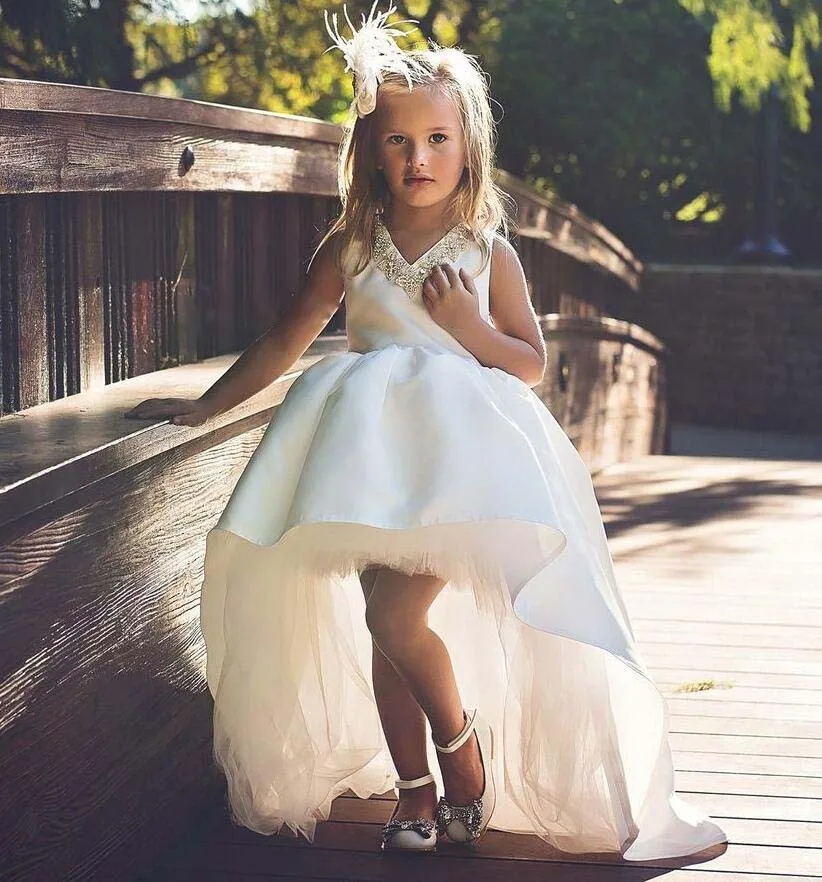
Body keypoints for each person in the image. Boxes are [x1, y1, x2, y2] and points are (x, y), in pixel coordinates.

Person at [124, 2, 727, 861]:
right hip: (370, 459)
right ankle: (415, 790)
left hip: (459, 460)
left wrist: (469, 329)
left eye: (438, 140)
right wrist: (202, 408)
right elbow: (284, 341)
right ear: (371, 150)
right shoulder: (353, 245)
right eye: (399, 141)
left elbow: (529, 362)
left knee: (396, 616)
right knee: (384, 621)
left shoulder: (486, 250)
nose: (419, 158)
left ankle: (461, 757)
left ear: (467, 146)